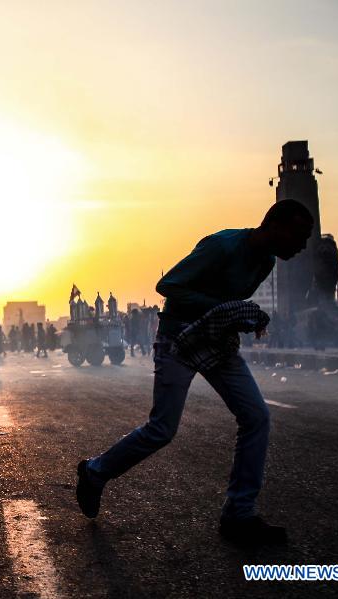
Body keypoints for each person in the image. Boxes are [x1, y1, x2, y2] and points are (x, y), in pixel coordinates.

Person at [76, 199, 314, 545]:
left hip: (217, 342)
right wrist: (225, 308)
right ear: (274, 225)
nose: (303, 245)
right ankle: (94, 472)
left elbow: (226, 304)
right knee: (162, 429)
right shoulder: (222, 245)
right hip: (179, 338)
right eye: (299, 235)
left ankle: (239, 514)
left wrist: (241, 317)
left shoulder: (266, 262)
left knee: (256, 416)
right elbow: (168, 286)